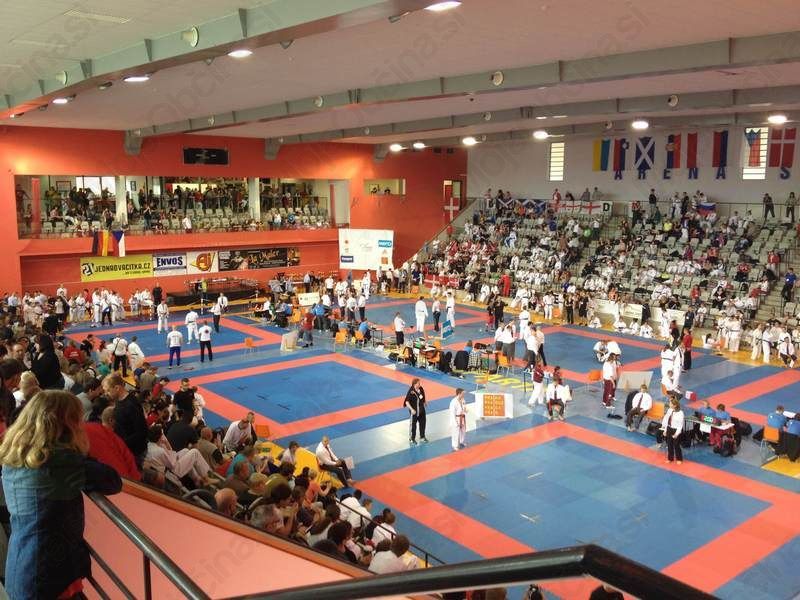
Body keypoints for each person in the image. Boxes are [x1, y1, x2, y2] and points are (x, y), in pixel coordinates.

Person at [0, 390, 122, 599]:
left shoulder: (16, 455)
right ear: (65, 425)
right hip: (48, 576)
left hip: (21, 564)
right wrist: (78, 452)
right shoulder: (59, 462)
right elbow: (112, 481)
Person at [661, 395, 685, 464]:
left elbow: (680, 425)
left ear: (675, 405)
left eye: (671, 404)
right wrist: (665, 430)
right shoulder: (670, 410)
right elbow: (667, 420)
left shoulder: (680, 413)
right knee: (669, 444)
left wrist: (676, 434)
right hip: (669, 428)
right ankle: (670, 458)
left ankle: (679, 459)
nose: (669, 404)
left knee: (676, 445)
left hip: (676, 429)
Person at [404, 378, 427, 444]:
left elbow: (423, 397)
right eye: (418, 383)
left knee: (423, 423)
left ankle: (422, 437)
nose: (420, 384)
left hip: (421, 409)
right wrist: (411, 409)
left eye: (419, 383)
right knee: (413, 425)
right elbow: (406, 402)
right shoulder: (411, 391)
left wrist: (425, 402)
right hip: (414, 411)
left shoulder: (421, 389)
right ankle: (412, 439)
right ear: (414, 384)